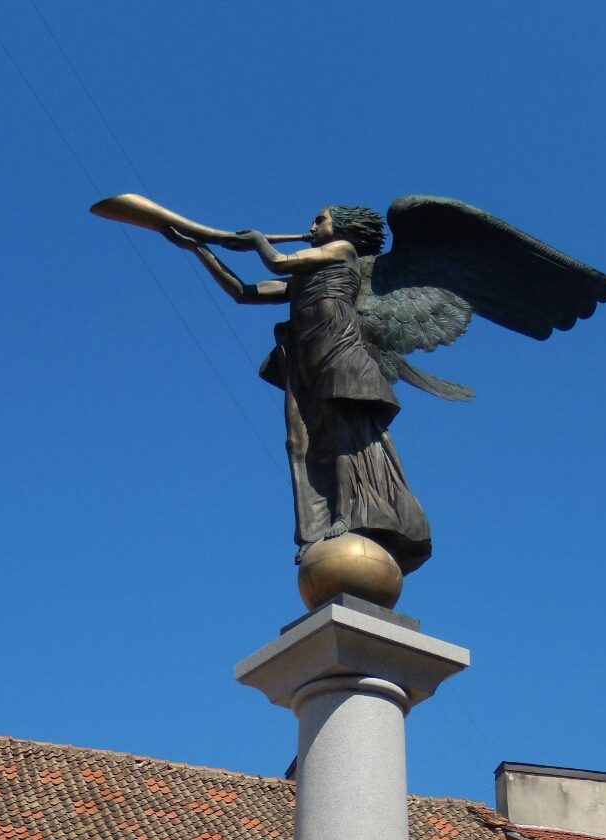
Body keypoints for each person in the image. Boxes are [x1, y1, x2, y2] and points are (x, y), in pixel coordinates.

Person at [164, 207, 431, 574]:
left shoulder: (343, 252)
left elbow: (276, 262)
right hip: (306, 361)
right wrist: (199, 249)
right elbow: (244, 292)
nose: (311, 226)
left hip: (341, 355)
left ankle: (347, 514)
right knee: (300, 442)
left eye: (320, 220)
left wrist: (257, 239)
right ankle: (316, 525)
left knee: (342, 434)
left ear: (343, 228)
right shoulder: (306, 276)